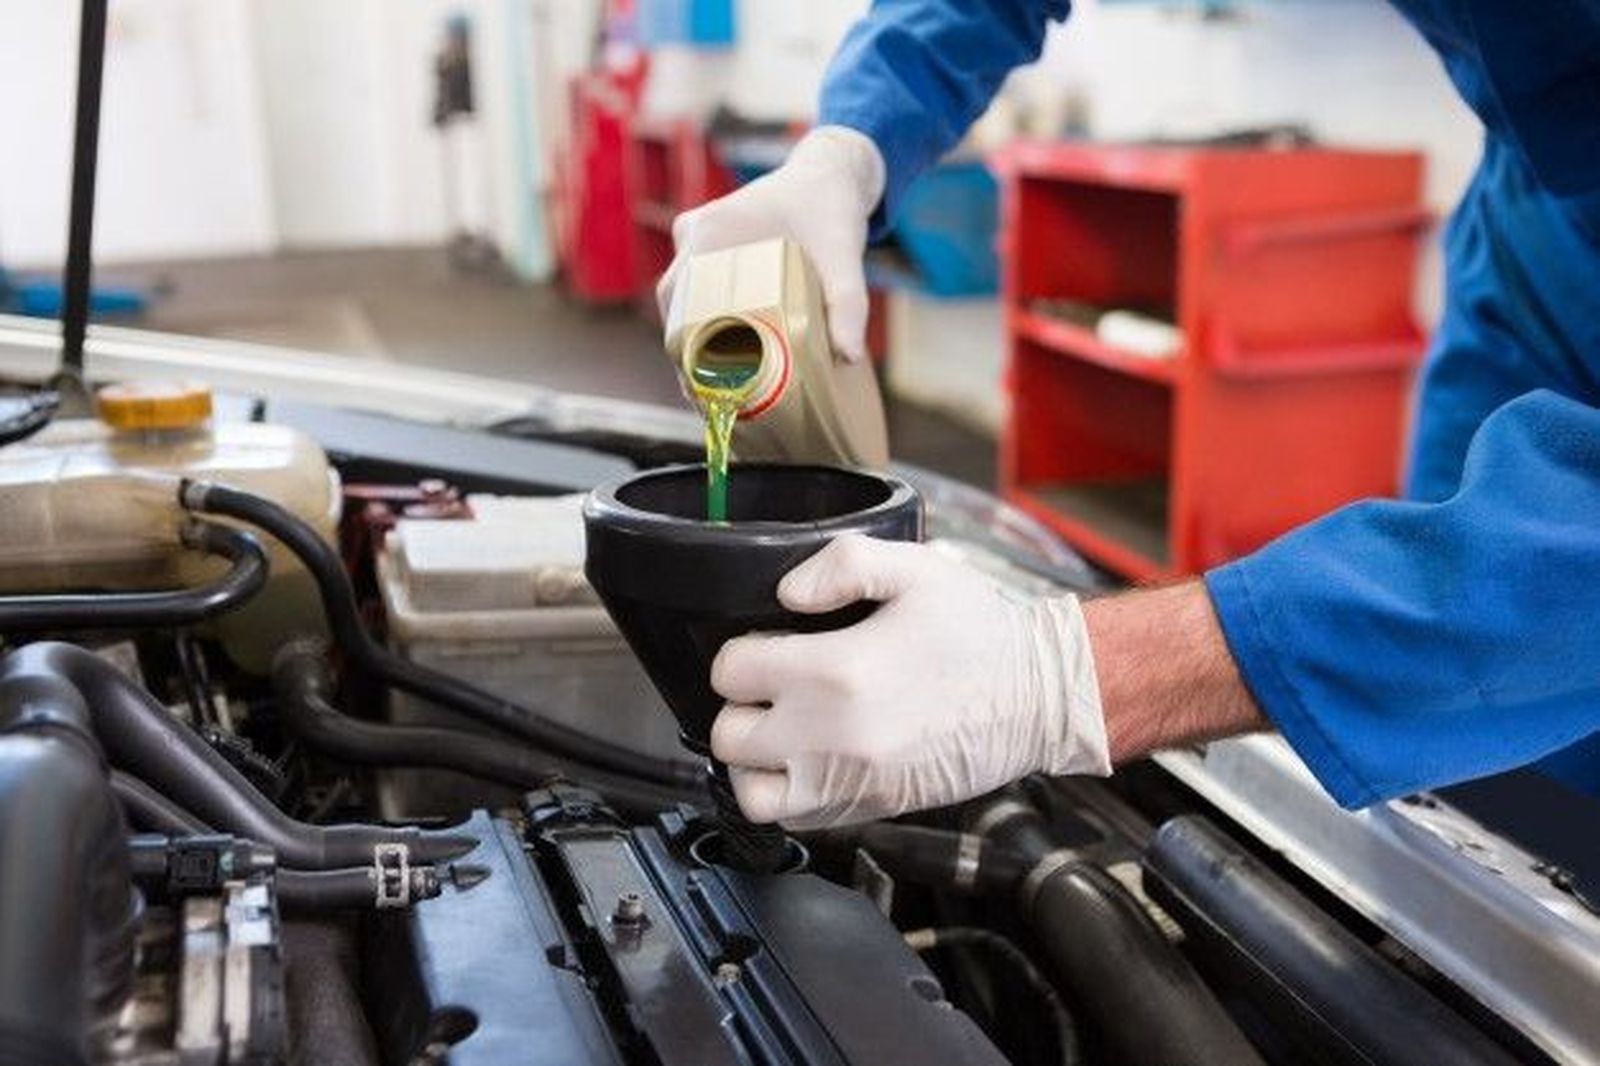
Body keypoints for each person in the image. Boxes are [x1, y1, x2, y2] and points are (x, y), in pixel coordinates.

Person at [656, 0, 1600, 830]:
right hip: (1534, 228)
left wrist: (1066, 680)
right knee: (1463, 745)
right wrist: (852, 143)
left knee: (1544, 663)